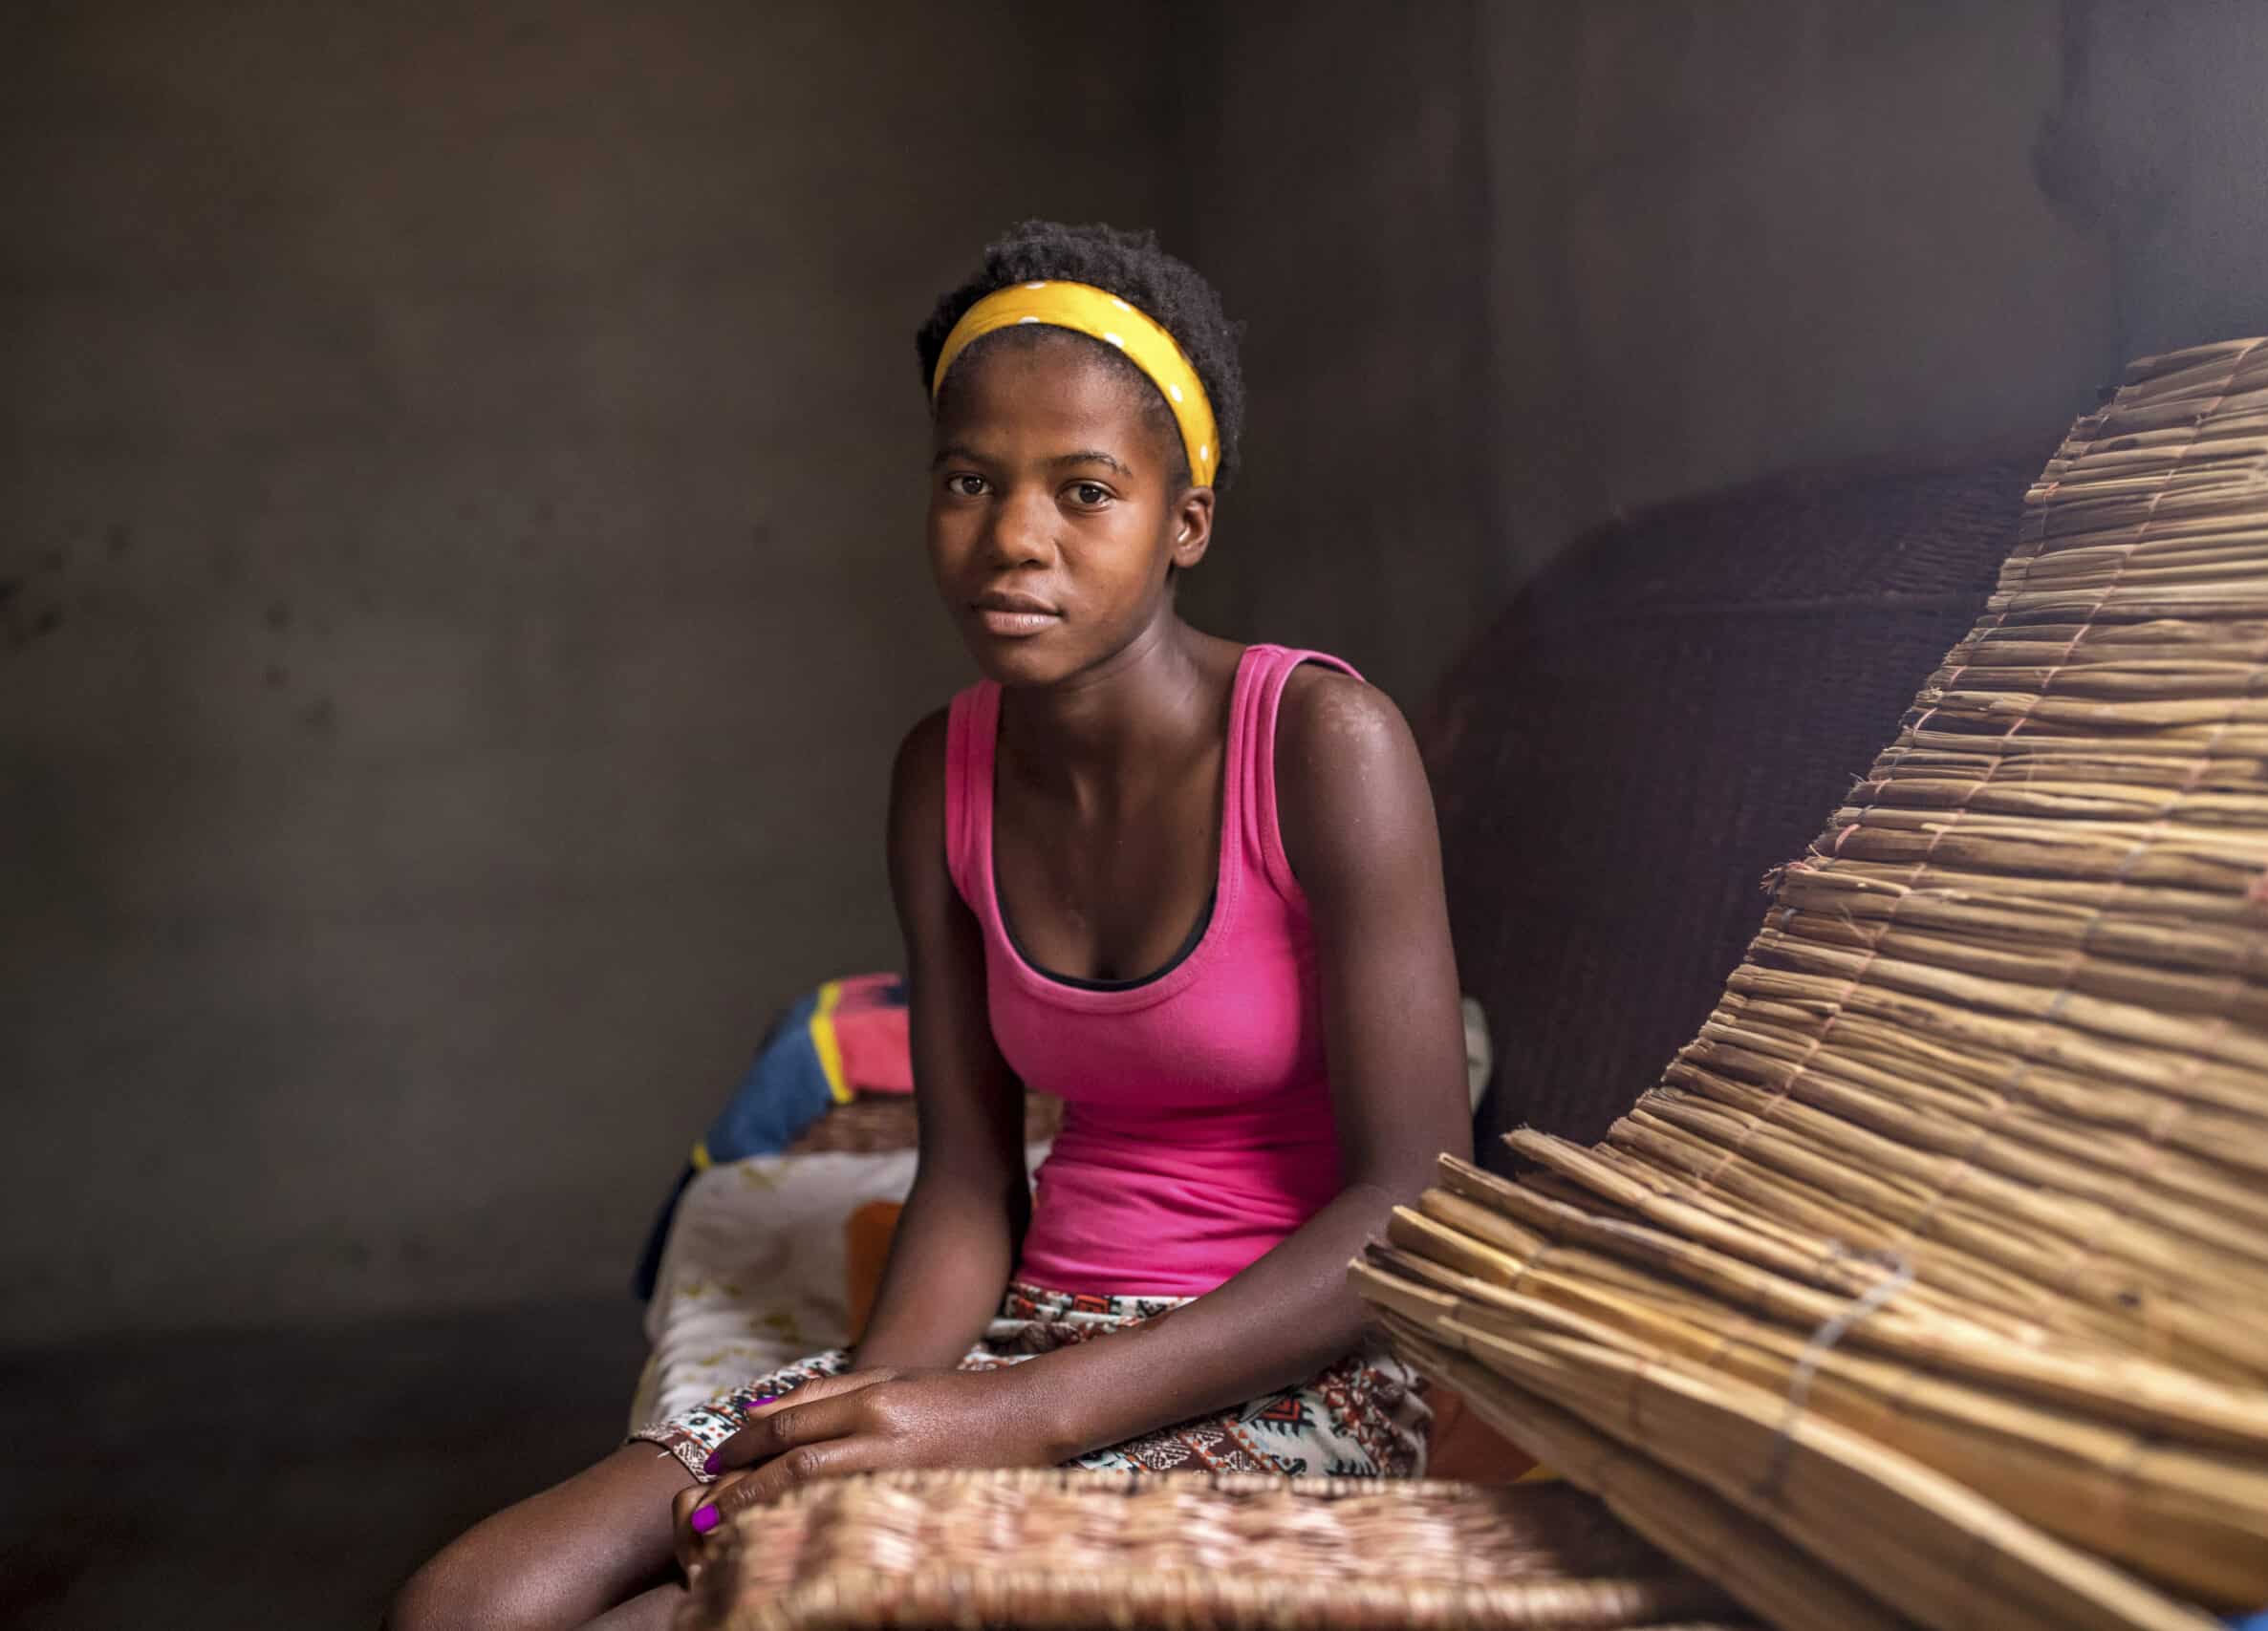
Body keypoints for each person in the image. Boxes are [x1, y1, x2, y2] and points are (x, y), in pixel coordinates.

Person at [386, 220, 1473, 1631]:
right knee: (468, 1604)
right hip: (1025, 1338)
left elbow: (1415, 1203)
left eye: (1087, 491)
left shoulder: (1324, 741)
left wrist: (1022, 1415)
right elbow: (969, 1177)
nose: (1015, 538)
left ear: (1185, 521)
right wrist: (882, 1413)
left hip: (1282, 1368)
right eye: (971, 481)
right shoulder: (939, 770)